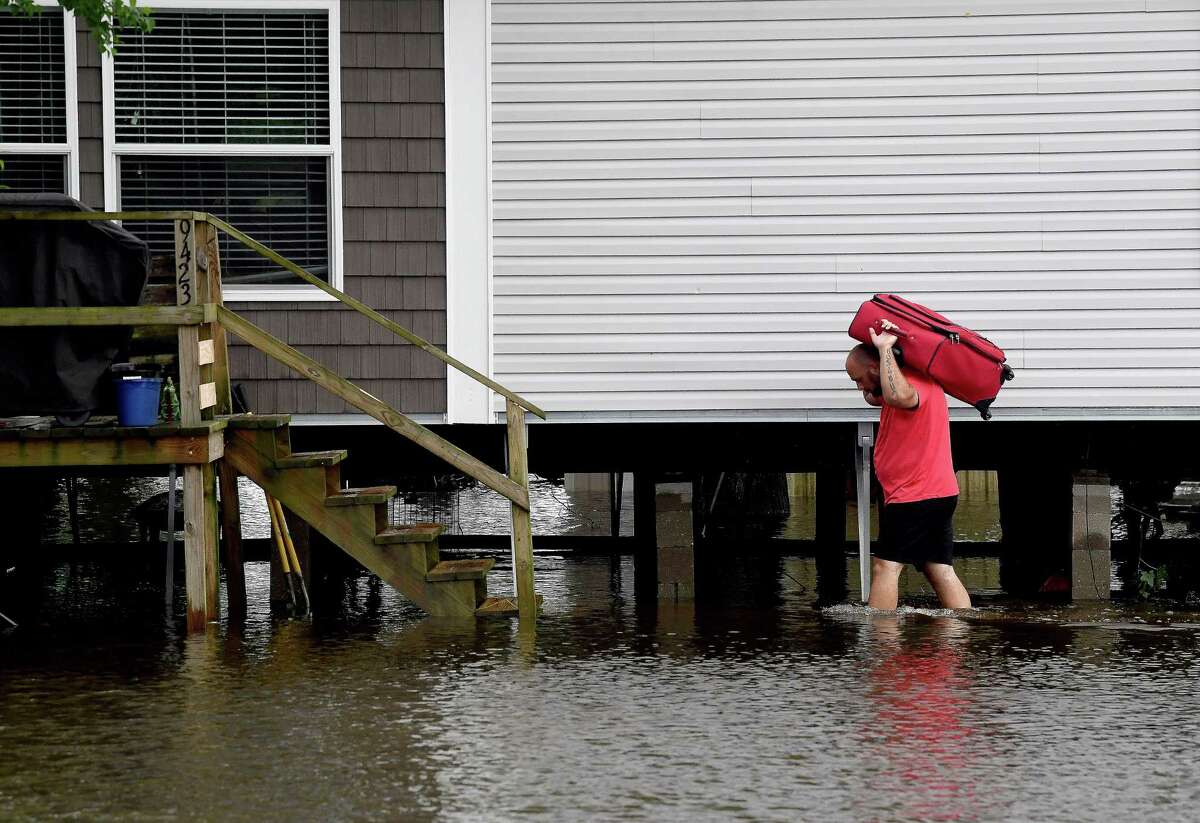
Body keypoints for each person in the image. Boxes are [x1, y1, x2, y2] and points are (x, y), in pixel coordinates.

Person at [845, 319, 972, 609]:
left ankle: (882, 644)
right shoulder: (910, 381)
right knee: (938, 568)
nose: (858, 386)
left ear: (877, 368)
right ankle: (959, 639)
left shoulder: (910, 385)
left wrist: (885, 349)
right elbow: (878, 396)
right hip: (935, 493)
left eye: (859, 378)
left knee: (886, 568)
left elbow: (898, 395)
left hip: (914, 495)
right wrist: (874, 382)